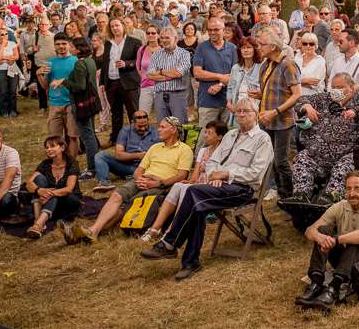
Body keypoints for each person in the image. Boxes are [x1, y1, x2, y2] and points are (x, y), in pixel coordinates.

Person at [140, 100, 272, 280]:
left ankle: (170, 243)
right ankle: (189, 262)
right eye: (238, 110)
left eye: (246, 111)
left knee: (193, 193)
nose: (241, 114)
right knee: (197, 204)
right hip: (217, 186)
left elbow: (255, 174)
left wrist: (225, 174)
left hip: (243, 189)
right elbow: (212, 161)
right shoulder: (231, 135)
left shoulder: (262, 139)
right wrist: (213, 175)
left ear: (256, 114)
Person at [69, 116, 192, 244]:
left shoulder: (184, 149)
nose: (158, 130)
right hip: (143, 180)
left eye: (162, 127)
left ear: (173, 130)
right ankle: (93, 231)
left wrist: (158, 182)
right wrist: (139, 180)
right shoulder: (155, 147)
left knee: (128, 206)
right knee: (117, 195)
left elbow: (182, 176)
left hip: (161, 184)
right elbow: (139, 170)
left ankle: (89, 234)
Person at [295, 170, 359, 310]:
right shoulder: (339, 206)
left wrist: (336, 240)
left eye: (356, 188)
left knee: (358, 238)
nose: (351, 193)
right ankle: (316, 283)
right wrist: (322, 238)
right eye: (348, 189)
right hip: (347, 261)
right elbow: (310, 230)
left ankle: (333, 288)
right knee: (323, 230)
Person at [286, 72, 359, 204]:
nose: (336, 90)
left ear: (352, 87)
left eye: (340, 87)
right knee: (302, 159)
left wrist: (356, 111)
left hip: (346, 153)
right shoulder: (325, 99)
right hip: (317, 153)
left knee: (344, 167)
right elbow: (300, 100)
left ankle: (331, 197)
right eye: (333, 87)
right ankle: (301, 195)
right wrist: (306, 106)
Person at [140, 119, 229, 242]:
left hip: (212, 187)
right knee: (178, 185)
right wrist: (191, 181)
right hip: (199, 184)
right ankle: (155, 228)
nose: (205, 135)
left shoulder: (225, 153)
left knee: (187, 190)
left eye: (209, 133)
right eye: (206, 132)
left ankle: (171, 230)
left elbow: (221, 175)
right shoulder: (203, 151)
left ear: (219, 136)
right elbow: (195, 174)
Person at [251, 26, 301, 199]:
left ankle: (288, 196)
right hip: (266, 119)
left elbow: (297, 94)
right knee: (269, 159)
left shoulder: (288, 64)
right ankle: (278, 192)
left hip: (282, 120)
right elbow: (275, 90)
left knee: (281, 160)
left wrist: (275, 111)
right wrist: (260, 94)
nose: (259, 47)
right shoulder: (265, 65)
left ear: (272, 46)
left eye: (261, 44)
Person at [52, 37, 101, 179]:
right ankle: (96, 165)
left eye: (72, 47)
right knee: (90, 134)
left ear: (78, 49)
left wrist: (63, 81)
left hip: (82, 105)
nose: (69, 48)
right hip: (91, 103)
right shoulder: (90, 60)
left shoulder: (80, 64)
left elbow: (80, 86)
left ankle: (92, 168)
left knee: (88, 137)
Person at [193, 17, 237, 150]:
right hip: (208, 101)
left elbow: (236, 74)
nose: (212, 32)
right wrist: (220, 77)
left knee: (227, 137)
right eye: (210, 30)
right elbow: (197, 73)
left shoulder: (232, 48)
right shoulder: (202, 48)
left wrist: (220, 84)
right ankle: (199, 166)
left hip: (228, 100)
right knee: (205, 137)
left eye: (216, 30)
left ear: (224, 30)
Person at [25, 135, 82, 239]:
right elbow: (29, 182)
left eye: (52, 146)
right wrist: (39, 190)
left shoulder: (72, 163)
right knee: (39, 179)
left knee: (55, 194)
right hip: (50, 203)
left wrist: (48, 193)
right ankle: (38, 224)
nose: (49, 149)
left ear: (62, 148)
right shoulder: (45, 164)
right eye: (47, 147)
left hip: (69, 200)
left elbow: (69, 188)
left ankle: (38, 224)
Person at [36, 33, 81, 159]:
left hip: (71, 104)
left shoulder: (76, 61)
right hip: (55, 104)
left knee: (73, 135)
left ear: (69, 45)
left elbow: (80, 85)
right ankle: (57, 164)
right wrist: (38, 74)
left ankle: (72, 164)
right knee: (54, 138)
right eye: (58, 44)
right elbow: (46, 86)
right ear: (54, 46)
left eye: (64, 44)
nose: (61, 46)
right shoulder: (50, 63)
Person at [92, 110, 161, 191]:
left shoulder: (156, 132)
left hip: (147, 168)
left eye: (145, 126)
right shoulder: (125, 131)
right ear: (132, 122)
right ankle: (104, 182)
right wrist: (138, 156)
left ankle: (133, 176)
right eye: (139, 126)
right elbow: (119, 154)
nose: (143, 128)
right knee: (100, 155)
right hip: (128, 165)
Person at [100, 18, 142, 147]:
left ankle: (137, 138)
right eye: (112, 26)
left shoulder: (134, 42)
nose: (115, 28)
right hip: (111, 83)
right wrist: (102, 82)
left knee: (133, 112)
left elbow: (139, 61)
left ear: (123, 26)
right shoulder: (108, 43)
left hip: (128, 82)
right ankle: (116, 139)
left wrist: (127, 64)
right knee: (116, 112)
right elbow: (105, 63)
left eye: (117, 25)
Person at [144, 26, 191, 124]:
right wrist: (169, 74)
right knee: (163, 126)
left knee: (179, 126)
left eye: (167, 38)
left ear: (175, 39)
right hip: (160, 96)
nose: (164, 40)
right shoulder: (156, 55)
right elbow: (150, 75)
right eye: (162, 38)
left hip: (178, 95)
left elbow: (177, 73)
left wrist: (160, 71)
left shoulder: (184, 54)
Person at [0, 27, 20, 117]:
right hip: (1, 70)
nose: (4, 36)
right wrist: (3, 46)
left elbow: (16, 57)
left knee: (12, 91)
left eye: (6, 34)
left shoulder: (12, 43)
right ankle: (4, 110)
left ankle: (13, 110)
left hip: (12, 69)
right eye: (2, 34)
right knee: (3, 91)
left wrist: (3, 58)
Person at [136, 24, 162, 117]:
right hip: (145, 86)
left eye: (153, 33)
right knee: (143, 114)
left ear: (158, 35)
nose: (150, 35)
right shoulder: (141, 49)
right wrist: (144, 77)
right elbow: (138, 66)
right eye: (148, 33)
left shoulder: (164, 50)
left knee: (162, 114)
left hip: (161, 87)